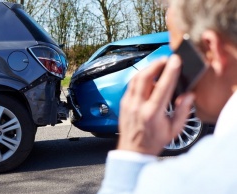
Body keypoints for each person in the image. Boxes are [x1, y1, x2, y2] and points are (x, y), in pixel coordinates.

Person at [98, 0, 237, 193]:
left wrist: (132, 152)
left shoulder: (189, 180)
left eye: (180, 53)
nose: (177, 66)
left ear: (211, 49)